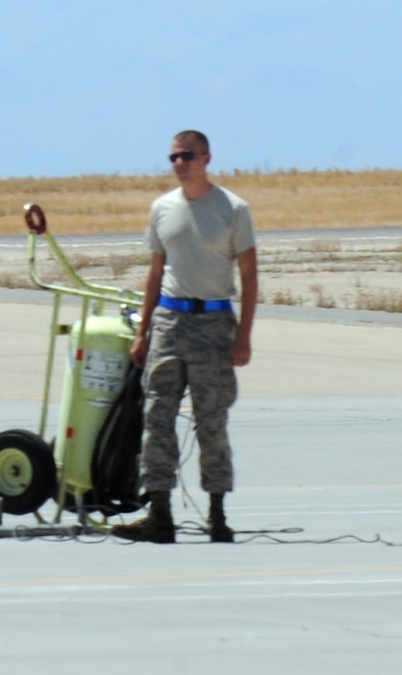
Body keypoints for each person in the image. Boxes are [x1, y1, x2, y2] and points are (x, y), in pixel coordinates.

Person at [117, 129, 257, 544]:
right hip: (170, 325)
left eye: (187, 156)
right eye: (174, 157)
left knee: (211, 421)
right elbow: (155, 274)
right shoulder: (162, 209)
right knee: (157, 417)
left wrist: (244, 336)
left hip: (214, 325)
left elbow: (249, 277)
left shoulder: (233, 209)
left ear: (207, 158)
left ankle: (217, 514)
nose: (180, 163)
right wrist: (142, 332)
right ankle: (158, 512)